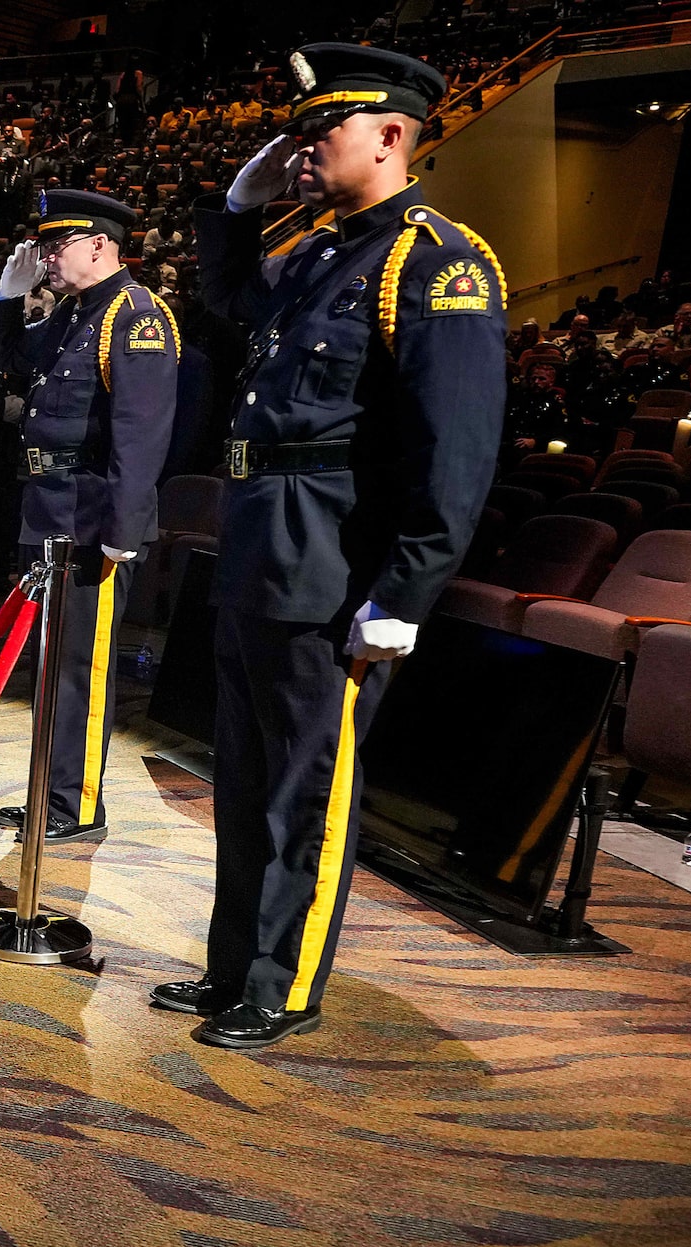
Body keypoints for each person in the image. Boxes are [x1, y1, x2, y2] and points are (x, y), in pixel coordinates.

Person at [182, 43, 505, 1049]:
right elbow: (231, 302)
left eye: (323, 129)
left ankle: (282, 983)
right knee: (240, 774)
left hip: (333, 561)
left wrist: (407, 590)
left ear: (393, 135)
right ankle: (232, 967)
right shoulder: (318, 252)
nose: (303, 145)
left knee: (310, 787)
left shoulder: (438, 260)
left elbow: (456, 447)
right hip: (258, 544)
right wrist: (235, 212)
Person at [0, 187, 179, 837]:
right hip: (48, 514)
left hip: (90, 524)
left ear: (99, 244)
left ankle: (77, 802)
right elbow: (8, 360)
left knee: (80, 671)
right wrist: (7, 302)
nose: (43, 257)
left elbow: (139, 433)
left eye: (54, 245)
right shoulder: (73, 314)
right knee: (49, 663)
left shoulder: (134, 315)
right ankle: (50, 789)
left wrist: (122, 530)